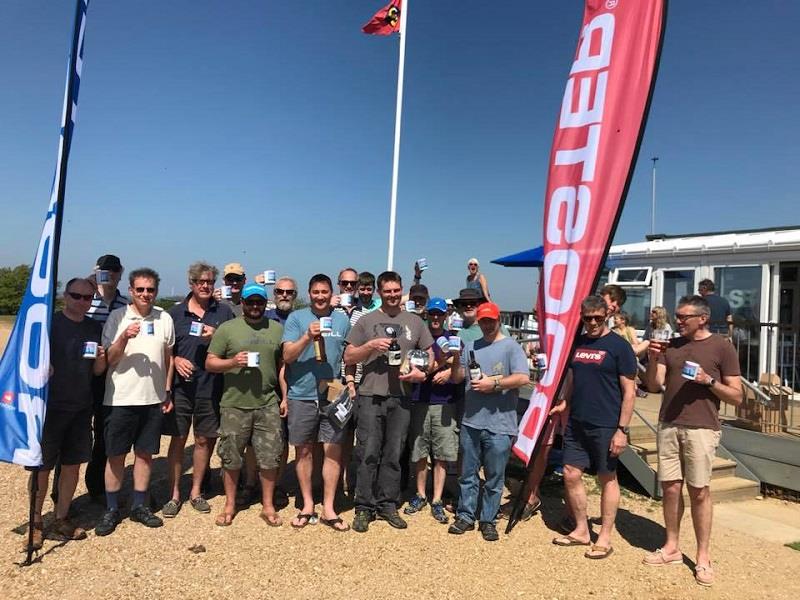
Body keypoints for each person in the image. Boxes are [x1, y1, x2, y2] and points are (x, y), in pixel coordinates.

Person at [643, 295, 742, 587]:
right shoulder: (671, 346)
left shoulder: (722, 346)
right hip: (668, 424)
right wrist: (652, 360)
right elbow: (653, 385)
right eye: (677, 316)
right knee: (670, 488)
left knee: (699, 491)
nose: (678, 321)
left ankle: (702, 557)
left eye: (684, 316)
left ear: (703, 318)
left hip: (702, 427)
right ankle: (671, 546)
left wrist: (708, 381)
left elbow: (737, 396)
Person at [344, 271, 434, 532]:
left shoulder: (414, 322)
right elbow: (349, 356)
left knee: (394, 454)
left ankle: (387, 504)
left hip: (402, 396)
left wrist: (424, 371)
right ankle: (364, 506)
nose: (393, 295)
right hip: (371, 395)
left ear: (401, 290)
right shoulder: (366, 320)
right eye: (387, 291)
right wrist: (370, 345)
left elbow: (430, 356)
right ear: (379, 292)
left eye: (396, 290)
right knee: (367, 452)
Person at [550, 295, 637, 559]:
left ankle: (605, 537)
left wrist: (622, 430)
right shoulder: (580, 341)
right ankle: (581, 530)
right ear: (582, 317)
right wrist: (565, 401)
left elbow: (629, 391)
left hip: (607, 423)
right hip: (578, 420)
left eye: (598, 318)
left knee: (606, 477)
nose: (593, 323)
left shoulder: (619, 347)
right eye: (588, 318)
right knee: (571, 473)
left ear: (607, 316)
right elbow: (574, 377)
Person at [95, 268, 175, 536]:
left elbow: (168, 356)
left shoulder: (164, 318)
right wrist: (123, 337)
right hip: (120, 398)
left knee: (145, 455)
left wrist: (167, 390)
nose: (145, 294)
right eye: (140, 289)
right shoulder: (118, 317)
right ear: (131, 290)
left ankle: (140, 505)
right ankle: (111, 508)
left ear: (156, 291)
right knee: (115, 455)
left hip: (152, 399)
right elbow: (108, 360)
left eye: (150, 289)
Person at [28, 278, 107, 549]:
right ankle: (36, 521)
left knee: (72, 466)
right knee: (42, 467)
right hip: (50, 407)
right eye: (77, 296)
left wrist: (101, 356)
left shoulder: (94, 327)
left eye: (88, 298)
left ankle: (61, 517)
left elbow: (97, 371)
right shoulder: (48, 323)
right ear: (65, 295)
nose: (82, 302)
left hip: (81, 406)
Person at [447, 302, 529, 542]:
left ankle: (488, 520)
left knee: (494, 476)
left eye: (490, 320)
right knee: (468, 473)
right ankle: (465, 515)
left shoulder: (511, 347)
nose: (487, 325)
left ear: (498, 319)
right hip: (472, 421)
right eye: (483, 321)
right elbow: (457, 377)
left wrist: (493, 384)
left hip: (500, 424)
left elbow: (523, 377)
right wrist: (454, 357)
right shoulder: (471, 346)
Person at [206, 283, 285, 527]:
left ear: (265, 303)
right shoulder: (227, 329)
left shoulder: (277, 329)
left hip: (267, 401)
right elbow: (210, 363)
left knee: (270, 457)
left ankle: (268, 505)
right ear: (243, 303)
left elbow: (283, 365)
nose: (254, 306)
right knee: (231, 457)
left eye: (259, 302)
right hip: (234, 404)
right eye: (250, 302)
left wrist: (285, 397)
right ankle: (230, 504)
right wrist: (232, 362)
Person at [162, 262, 235, 518]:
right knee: (179, 440)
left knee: (204, 440)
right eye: (200, 282)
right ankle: (174, 494)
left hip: (211, 387)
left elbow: (235, 349)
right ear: (191, 284)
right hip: (182, 389)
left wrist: (216, 336)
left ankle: (195, 492)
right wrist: (176, 360)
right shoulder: (174, 313)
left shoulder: (224, 313)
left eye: (209, 282)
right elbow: (164, 351)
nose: (205, 286)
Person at [282, 274, 352, 531]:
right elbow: (287, 357)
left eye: (325, 292)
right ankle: (307, 504)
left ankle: (329, 507)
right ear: (309, 294)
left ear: (331, 292)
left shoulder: (342, 320)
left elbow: (349, 354)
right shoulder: (296, 318)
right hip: (301, 395)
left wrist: (351, 382)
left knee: (333, 451)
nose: (320, 296)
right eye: (316, 292)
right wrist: (305, 338)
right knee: (304, 451)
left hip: (332, 395)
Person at [403, 297, 459, 525]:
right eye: (432, 314)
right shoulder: (418, 338)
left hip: (445, 403)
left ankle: (436, 498)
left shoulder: (452, 340)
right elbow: (408, 363)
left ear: (446, 315)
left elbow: (460, 366)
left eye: (440, 314)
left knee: (442, 454)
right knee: (419, 451)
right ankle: (420, 494)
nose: (435, 318)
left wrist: (448, 370)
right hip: (419, 400)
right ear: (427, 314)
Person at [84, 254, 128, 501]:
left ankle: (97, 487)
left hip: (110, 376)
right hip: (82, 374)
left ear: (120, 272)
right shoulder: (85, 298)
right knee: (76, 431)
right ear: (96, 270)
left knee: (103, 433)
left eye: (113, 271)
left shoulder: (124, 303)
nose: (109, 275)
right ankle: (61, 492)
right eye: (104, 271)